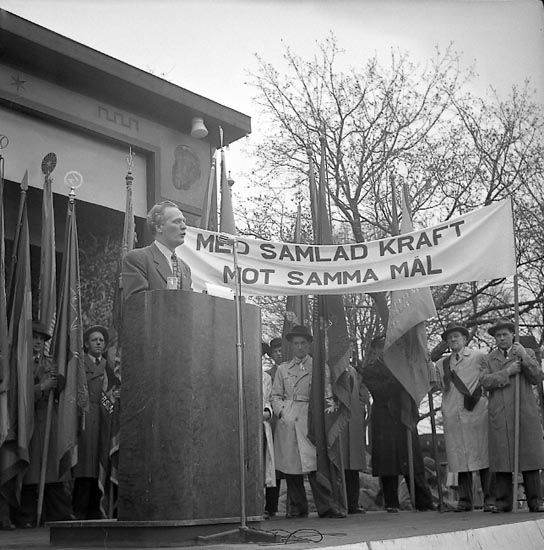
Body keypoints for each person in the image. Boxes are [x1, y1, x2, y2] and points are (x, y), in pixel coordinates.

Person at [271, 326, 345, 519]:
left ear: (310, 344)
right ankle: (297, 507)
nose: (300, 347)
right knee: (291, 465)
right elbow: (275, 395)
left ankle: (326, 506)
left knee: (315, 463)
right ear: (291, 345)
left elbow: (327, 394)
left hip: (311, 418)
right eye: (296, 343)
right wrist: (282, 412)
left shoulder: (319, 367)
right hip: (289, 418)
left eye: (303, 343)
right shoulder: (282, 369)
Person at [10, 322, 74, 527]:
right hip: (27, 421)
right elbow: (16, 393)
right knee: (29, 471)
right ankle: (26, 517)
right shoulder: (19, 362)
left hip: (48, 421)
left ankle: (58, 514)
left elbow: (64, 389)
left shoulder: (51, 363)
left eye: (41, 339)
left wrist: (58, 378)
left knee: (52, 470)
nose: (38, 342)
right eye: (35, 338)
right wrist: (41, 387)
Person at [361, 334, 434, 513]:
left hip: (404, 415)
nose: (385, 351)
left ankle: (423, 502)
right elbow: (380, 392)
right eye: (380, 347)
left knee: (413, 460)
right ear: (375, 350)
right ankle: (391, 502)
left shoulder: (405, 366)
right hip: (384, 419)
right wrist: (400, 376)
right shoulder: (370, 370)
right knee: (388, 463)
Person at [480, 317, 544, 513]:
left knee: (529, 457)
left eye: (505, 334)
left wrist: (524, 356)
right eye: (498, 335)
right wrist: (507, 372)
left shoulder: (526, 353)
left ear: (512, 335)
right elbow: (484, 381)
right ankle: (503, 502)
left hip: (523, 411)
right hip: (500, 413)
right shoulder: (488, 359)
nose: (501, 338)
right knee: (502, 458)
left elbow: (537, 376)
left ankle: (536, 500)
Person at [434, 322, 495, 512]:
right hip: (453, 414)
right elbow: (435, 384)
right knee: (459, 459)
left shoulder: (479, 356)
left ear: (465, 339)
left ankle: (490, 499)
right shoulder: (442, 364)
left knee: (483, 456)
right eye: (449, 337)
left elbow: (489, 377)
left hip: (476, 412)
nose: (453, 340)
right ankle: (465, 500)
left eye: (456, 336)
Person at [72, 325, 120, 519]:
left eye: (101, 340)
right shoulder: (79, 365)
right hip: (85, 417)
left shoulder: (109, 367)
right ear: (86, 344)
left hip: (104, 419)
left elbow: (111, 392)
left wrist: (116, 395)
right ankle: (79, 509)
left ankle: (96, 508)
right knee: (85, 466)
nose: (98, 343)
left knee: (100, 461)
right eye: (94, 340)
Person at [122, 200, 192, 300]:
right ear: (159, 227)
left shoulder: (185, 268)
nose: (184, 227)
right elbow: (138, 303)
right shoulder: (138, 259)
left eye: (184, 221)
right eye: (177, 221)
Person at [341, 339, 369, 514]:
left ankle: (353, 502)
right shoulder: (333, 369)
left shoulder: (353, 370)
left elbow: (360, 394)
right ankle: (343, 501)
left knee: (353, 465)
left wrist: (361, 408)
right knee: (342, 463)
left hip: (354, 422)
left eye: (351, 348)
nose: (349, 351)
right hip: (341, 424)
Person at [264, 337, 284, 517]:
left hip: (292, 419)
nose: (279, 354)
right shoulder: (267, 375)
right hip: (274, 423)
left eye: (281, 350)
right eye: (275, 351)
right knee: (273, 464)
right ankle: (271, 505)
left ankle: (296, 505)